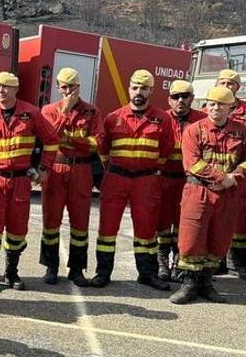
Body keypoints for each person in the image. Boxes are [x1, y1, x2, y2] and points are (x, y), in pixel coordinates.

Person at [0, 72, 59, 292]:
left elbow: (51, 140)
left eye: (5, 87)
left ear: (15, 89)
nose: (0, 91)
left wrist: (43, 168)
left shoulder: (31, 113)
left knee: (17, 228)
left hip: (20, 180)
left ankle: (11, 272)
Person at [92, 69, 174, 290]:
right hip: (117, 177)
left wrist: (152, 171)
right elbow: (103, 150)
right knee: (107, 228)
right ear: (129, 88)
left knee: (146, 230)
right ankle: (102, 273)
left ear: (151, 91)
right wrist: (114, 169)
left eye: (144, 88)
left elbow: (165, 150)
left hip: (146, 181)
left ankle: (147, 274)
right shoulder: (113, 118)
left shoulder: (163, 119)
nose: (139, 92)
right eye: (135, 87)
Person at [169, 86, 246, 304]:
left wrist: (236, 176)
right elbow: (192, 162)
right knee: (191, 238)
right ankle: (189, 284)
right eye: (211, 103)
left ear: (231, 107)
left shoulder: (241, 130)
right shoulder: (194, 130)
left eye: (221, 104)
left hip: (227, 195)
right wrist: (222, 178)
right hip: (198, 191)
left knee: (219, 239)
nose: (215, 108)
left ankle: (206, 283)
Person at [39, 67, 104, 287]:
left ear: (79, 87)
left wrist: (71, 140)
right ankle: (51, 267)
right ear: (58, 87)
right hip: (57, 170)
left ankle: (77, 270)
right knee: (51, 221)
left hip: (81, 171)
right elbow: (49, 137)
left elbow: (97, 143)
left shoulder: (92, 112)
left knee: (80, 223)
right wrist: (65, 112)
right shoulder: (49, 110)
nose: (68, 92)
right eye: (64, 87)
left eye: (72, 87)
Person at [155, 80, 205, 282]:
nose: (181, 100)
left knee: (184, 224)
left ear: (192, 98)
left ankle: (178, 264)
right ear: (169, 99)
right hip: (164, 179)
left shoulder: (202, 120)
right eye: (176, 96)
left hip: (189, 181)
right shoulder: (160, 118)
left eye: (185, 96)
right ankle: (162, 264)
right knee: (162, 223)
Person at [217, 69, 246, 279]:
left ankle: (237, 262)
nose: (227, 86)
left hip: (239, 175)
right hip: (214, 175)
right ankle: (216, 261)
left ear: (238, 87)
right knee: (215, 217)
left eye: (231, 83)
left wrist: (238, 173)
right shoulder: (210, 107)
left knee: (240, 220)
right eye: (223, 82)